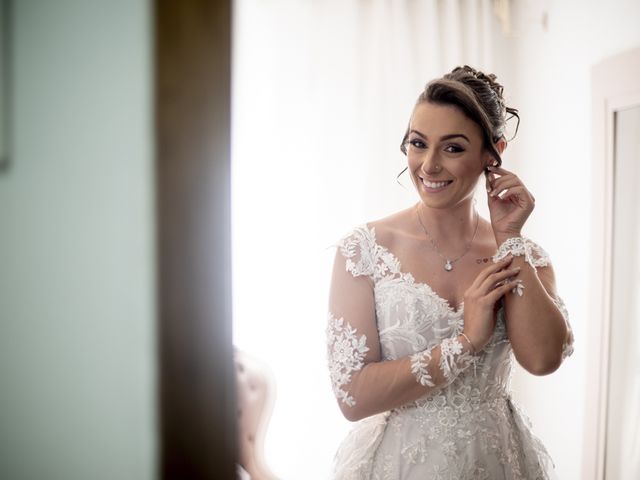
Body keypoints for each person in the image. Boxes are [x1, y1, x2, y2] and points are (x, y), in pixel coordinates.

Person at [326, 65, 574, 479]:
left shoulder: (522, 255)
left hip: (497, 461)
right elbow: (352, 397)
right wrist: (466, 342)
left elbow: (543, 359)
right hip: (402, 464)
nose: (428, 165)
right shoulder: (363, 251)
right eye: (418, 143)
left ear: (493, 153)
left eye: (453, 148)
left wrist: (510, 236)